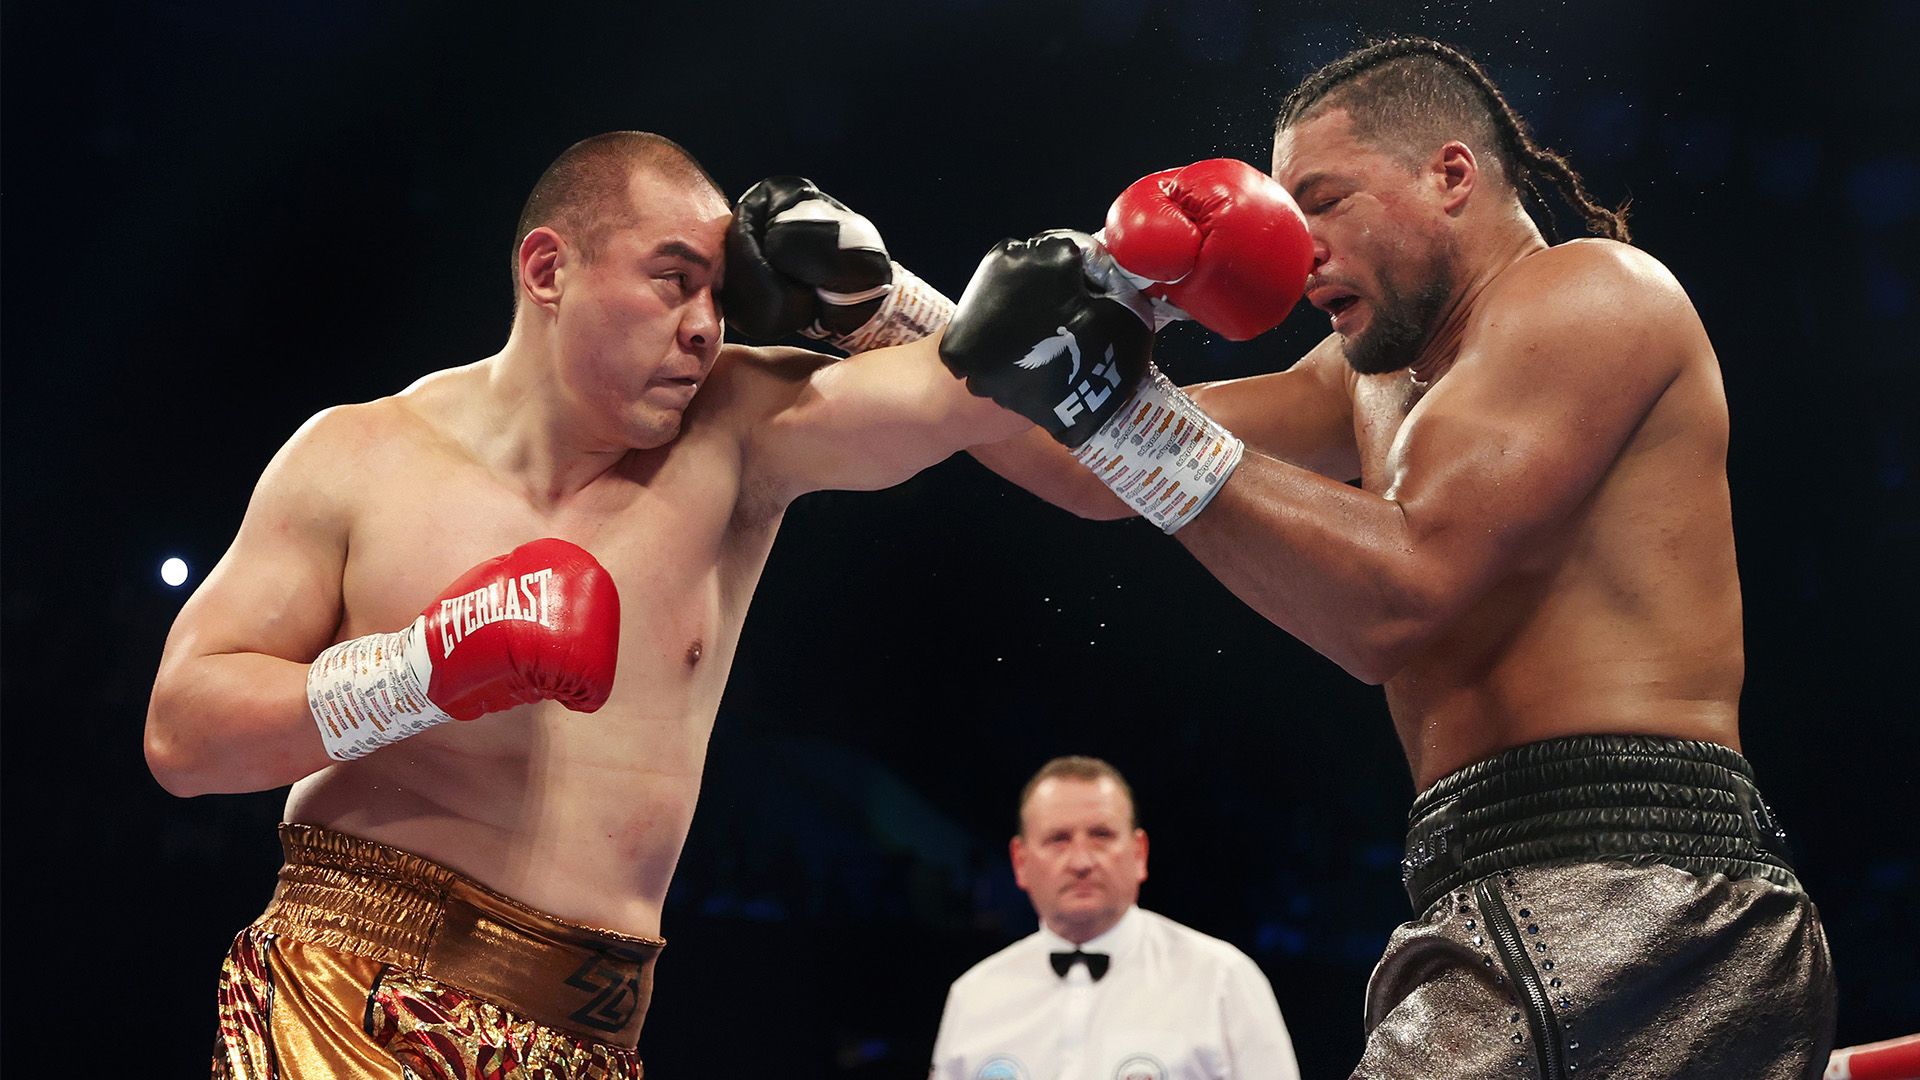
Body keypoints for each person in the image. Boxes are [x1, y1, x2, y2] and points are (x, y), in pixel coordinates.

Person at [937, 37, 1838, 1079]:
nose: (1296, 247)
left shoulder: (1597, 296)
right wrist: (891, 314)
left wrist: (1114, 403)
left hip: (1640, 894)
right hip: (1491, 887)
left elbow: (1403, 595)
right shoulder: (1360, 380)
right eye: (1281, 213)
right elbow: (1097, 470)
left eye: (1323, 200)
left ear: (1449, 175)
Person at [144, 132, 1032, 1078]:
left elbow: (1005, 399)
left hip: (594, 1039)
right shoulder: (358, 456)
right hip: (347, 997)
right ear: (548, 269)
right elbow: (181, 737)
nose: (704, 326)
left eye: (719, 296)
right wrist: (420, 672)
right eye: (672, 279)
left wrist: (881, 301)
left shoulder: (740, 429)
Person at [930, 756, 1299, 1080]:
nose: (1081, 862)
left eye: (1101, 835)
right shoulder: (973, 997)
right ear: (1021, 862)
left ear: (1139, 853)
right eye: (1058, 839)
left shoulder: (1223, 980)